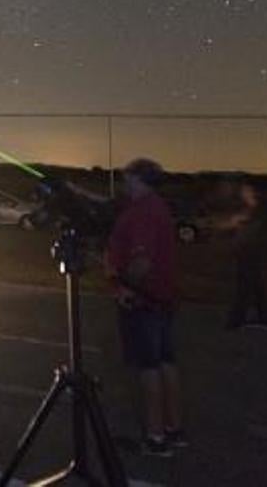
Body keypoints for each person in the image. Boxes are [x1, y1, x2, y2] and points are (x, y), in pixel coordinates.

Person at [105, 157, 185, 457]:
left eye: (128, 179)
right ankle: (174, 429)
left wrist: (123, 286)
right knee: (166, 361)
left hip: (144, 299)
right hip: (163, 298)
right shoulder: (157, 207)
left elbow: (142, 261)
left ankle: (155, 438)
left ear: (140, 180)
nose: (125, 184)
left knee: (148, 366)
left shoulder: (143, 213)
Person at [225, 181, 267, 330]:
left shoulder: (260, 212)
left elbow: (253, 233)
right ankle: (265, 318)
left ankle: (236, 320)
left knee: (245, 287)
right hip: (249, 254)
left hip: (251, 255)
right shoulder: (250, 211)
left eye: (245, 190)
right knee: (257, 286)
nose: (242, 193)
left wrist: (239, 226)